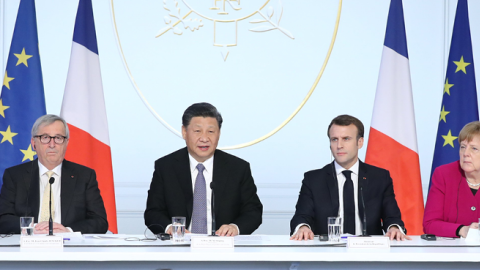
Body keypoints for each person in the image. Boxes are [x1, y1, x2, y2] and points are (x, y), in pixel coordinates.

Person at [144, 102, 263, 236]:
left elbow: (253, 211)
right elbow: (153, 212)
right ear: (184, 132)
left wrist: (235, 227)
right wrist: (169, 227)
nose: (204, 138)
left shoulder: (238, 168)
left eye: (211, 132)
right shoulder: (165, 167)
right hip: (179, 246)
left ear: (219, 133)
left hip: (223, 247)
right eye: (197, 131)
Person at [290, 115, 409, 241]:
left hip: (369, 251)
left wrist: (394, 228)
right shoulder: (313, 179)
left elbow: (392, 217)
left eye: (346, 139)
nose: (339, 145)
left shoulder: (379, 177)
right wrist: (302, 227)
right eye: (334, 139)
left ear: (360, 142)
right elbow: (301, 216)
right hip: (327, 251)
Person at [0, 114, 108, 234]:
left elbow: (100, 221)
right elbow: (3, 219)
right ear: (34, 143)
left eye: (58, 138)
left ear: (66, 143)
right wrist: (34, 228)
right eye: (45, 137)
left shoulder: (85, 176)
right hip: (27, 247)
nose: (52, 144)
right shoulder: (15, 176)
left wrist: (68, 231)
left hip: (69, 248)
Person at [424, 121, 480, 238]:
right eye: (463, 147)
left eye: (474, 148)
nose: (465, 153)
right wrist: (462, 230)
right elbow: (430, 224)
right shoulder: (444, 175)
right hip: (451, 253)